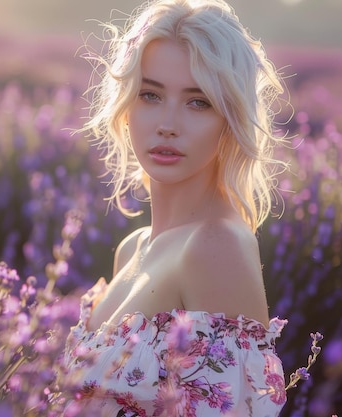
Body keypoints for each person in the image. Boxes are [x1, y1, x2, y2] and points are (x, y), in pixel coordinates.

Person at [61, 0, 289, 415]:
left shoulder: (214, 245)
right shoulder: (133, 248)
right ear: (127, 107)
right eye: (150, 94)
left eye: (197, 101)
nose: (168, 123)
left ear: (230, 118)